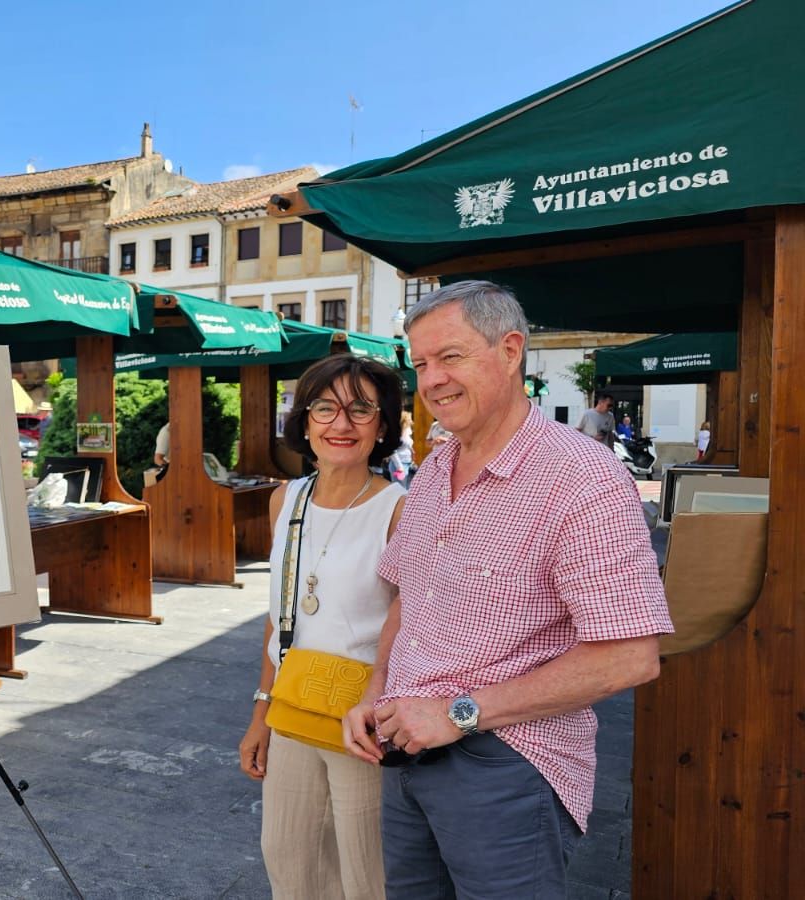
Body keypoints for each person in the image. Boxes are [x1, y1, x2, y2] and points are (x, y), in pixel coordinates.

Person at [342, 281, 671, 898]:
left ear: (511, 348)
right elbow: (410, 600)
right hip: (405, 747)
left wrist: (457, 714)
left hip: (507, 763)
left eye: (451, 356)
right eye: (420, 364)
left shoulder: (583, 477)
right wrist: (376, 689)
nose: (432, 380)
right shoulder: (437, 466)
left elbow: (632, 656)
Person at [239, 354, 407, 900]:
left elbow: (409, 625)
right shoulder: (283, 499)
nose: (342, 424)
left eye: (361, 410)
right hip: (292, 708)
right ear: (305, 421)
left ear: (381, 427)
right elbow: (278, 617)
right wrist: (260, 713)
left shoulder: (398, 510)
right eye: (326, 408)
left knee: (361, 872)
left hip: (361, 718)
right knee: (287, 859)